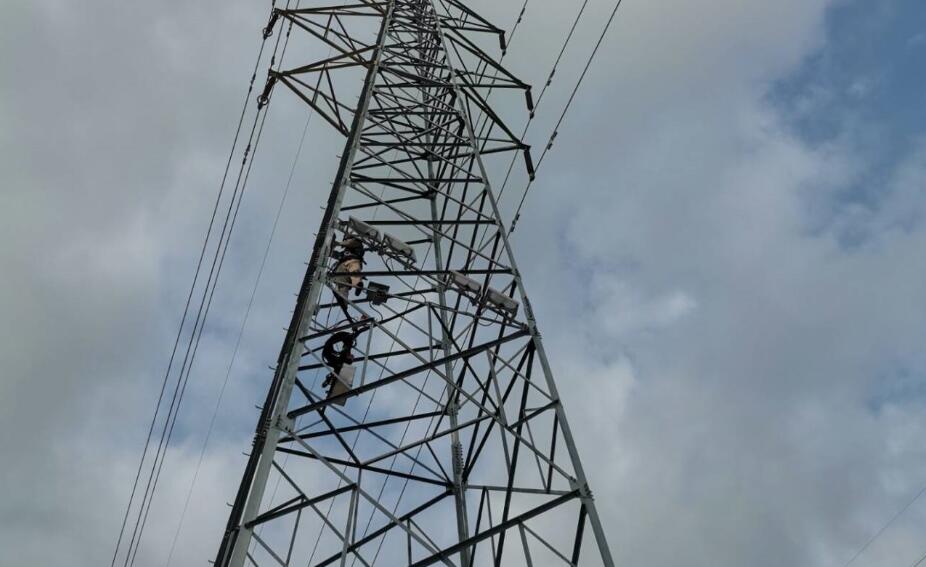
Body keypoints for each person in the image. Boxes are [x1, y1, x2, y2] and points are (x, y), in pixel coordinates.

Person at [329, 237, 365, 321]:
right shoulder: (344, 253)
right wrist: (326, 250)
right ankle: (343, 301)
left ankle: (358, 284)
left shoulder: (357, 243)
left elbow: (350, 243)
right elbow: (336, 254)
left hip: (352, 261)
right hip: (341, 267)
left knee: (354, 272)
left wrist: (337, 243)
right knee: (342, 284)